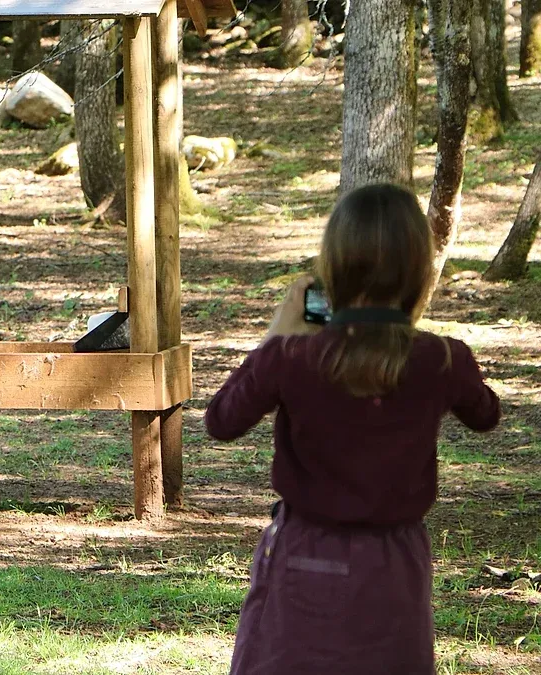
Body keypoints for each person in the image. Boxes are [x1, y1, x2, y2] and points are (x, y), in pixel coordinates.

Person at [204, 183, 501, 674]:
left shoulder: (293, 357)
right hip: (397, 562)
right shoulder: (442, 359)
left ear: (335, 266)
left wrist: (277, 335)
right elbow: (486, 414)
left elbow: (221, 421)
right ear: (417, 269)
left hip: (306, 550)